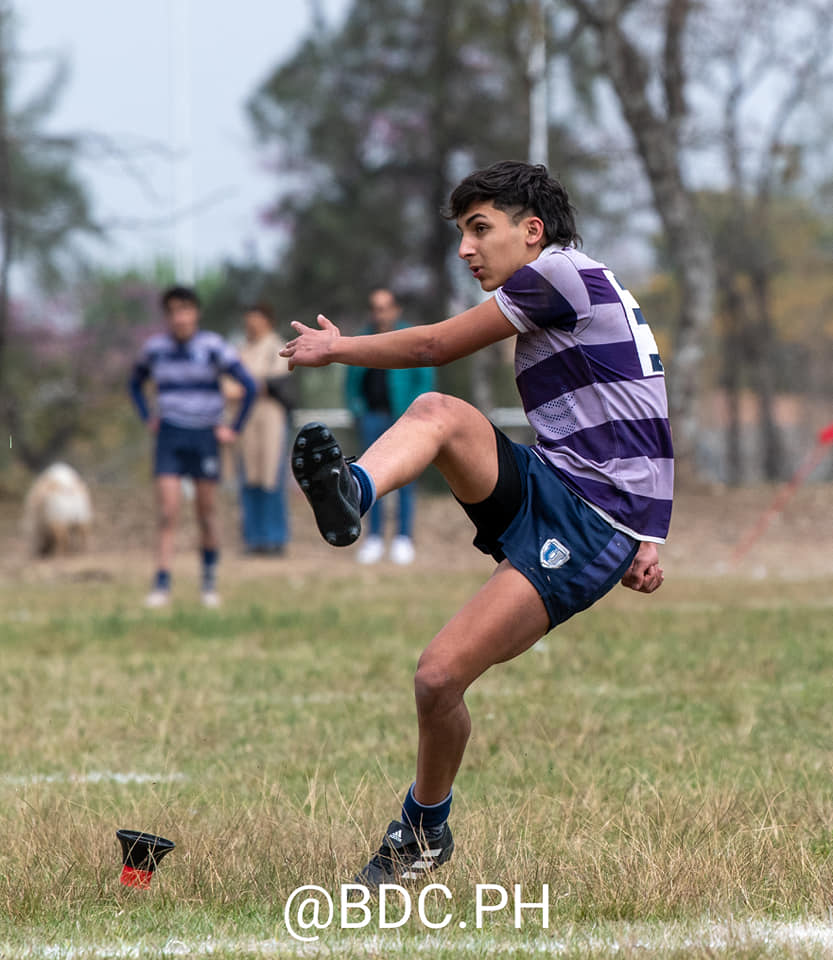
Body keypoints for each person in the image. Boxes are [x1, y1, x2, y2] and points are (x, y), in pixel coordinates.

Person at [281, 161, 672, 887]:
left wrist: (336, 348)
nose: (466, 248)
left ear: (532, 231)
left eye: (479, 228)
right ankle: (353, 492)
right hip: (554, 481)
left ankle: (423, 829)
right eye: (463, 231)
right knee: (438, 412)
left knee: (437, 678)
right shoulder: (583, 279)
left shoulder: (556, 275)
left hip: (590, 521)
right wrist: (656, 530)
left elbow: (434, 346)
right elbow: (647, 405)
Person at [129, 284, 257, 608]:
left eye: (185, 310)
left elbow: (249, 385)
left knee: (206, 512)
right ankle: (161, 583)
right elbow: (134, 383)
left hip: (204, 436)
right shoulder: (155, 349)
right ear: (166, 316)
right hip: (170, 435)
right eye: (173, 312)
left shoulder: (213, 346)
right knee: (167, 512)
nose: (179, 318)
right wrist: (147, 417)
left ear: (195, 313)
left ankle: (209, 582)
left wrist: (234, 428)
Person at [345, 288, 434, 564]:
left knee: (405, 479)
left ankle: (403, 537)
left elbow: (424, 378)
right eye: (375, 308)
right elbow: (351, 382)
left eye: (384, 307)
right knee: (369, 479)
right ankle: (373, 537)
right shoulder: (362, 339)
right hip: (371, 418)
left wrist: (416, 410)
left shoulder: (411, 337)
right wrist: (356, 409)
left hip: (403, 419)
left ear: (395, 309)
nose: (380, 313)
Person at [224, 302, 295, 555]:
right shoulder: (239, 350)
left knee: (271, 477)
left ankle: (275, 537)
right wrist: (247, 388)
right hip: (245, 420)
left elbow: (275, 383)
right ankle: (253, 538)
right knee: (248, 477)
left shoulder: (278, 347)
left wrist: (247, 388)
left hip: (270, 419)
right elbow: (228, 384)